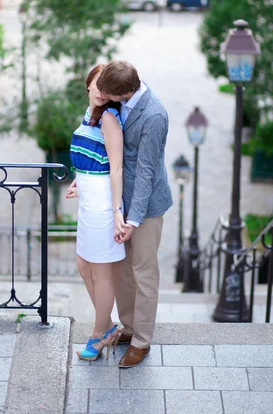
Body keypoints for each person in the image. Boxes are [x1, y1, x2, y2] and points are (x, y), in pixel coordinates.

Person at [96, 60, 173, 368]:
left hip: (146, 208)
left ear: (123, 92)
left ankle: (142, 342)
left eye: (107, 93)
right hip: (122, 204)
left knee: (144, 274)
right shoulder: (122, 101)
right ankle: (128, 328)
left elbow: (146, 172)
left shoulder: (154, 115)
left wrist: (133, 220)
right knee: (124, 271)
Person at [66, 64, 126, 361]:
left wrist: (116, 212)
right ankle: (108, 325)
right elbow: (91, 157)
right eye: (97, 84)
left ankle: (99, 334)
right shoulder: (88, 117)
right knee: (82, 264)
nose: (102, 91)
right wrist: (80, 181)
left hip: (103, 205)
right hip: (88, 201)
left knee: (101, 273)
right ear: (88, 84)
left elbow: (115, 167)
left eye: (107, 87)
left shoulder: (109, 119)